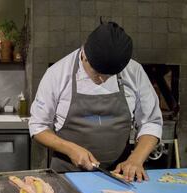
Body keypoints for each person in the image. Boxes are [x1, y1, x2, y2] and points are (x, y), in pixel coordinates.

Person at [29, 21, 162, 182]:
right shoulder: (57, 74)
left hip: (120, 174)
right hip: (68, 175)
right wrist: (70, 149)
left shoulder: (134, 72)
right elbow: (38, 126)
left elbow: (151, 122)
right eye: (97, 72)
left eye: (109, 75)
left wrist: (136, 159)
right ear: (84, 53)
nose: (102, 80)